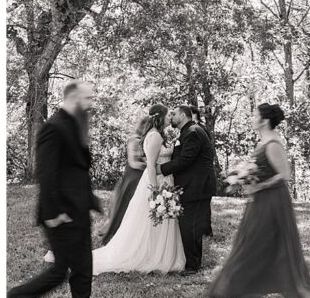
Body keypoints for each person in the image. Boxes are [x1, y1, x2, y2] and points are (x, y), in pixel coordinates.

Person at [208, 104, 310, 298]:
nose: (252, 118)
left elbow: (284, 175)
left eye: (255, 115)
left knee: (263, 240)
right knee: (251, 239)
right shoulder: (263, 141)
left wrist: (259, 185)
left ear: (265, 120)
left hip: (273, 200)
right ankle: (239, 285)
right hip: (259, 200)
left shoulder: (273, 143)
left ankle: (240, 286)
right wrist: (243, 179)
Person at [7, 81, 101, 298]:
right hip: (61, 213)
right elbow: (46, 173)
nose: (91, 104)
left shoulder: (76, 125)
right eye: (87, 99)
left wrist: (91, 202)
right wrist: (54, 213)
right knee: (60, 271)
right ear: (74, 98)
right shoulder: (54, 127)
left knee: (83, 269)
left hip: (78, 210)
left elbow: (78, 170)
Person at [92, 104, 185, 274]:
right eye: (167, 115)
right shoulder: (155, 136)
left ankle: (158, 252)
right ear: (160, 117)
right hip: (156, 181)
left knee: (158, 221)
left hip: (164, 179)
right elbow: (150, 165)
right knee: (151, 220)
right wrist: (155, 191)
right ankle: (152, 255)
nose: (170, 117)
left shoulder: (158, 134)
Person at [158, 105, 217, 276]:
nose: (172, 116)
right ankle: (192, 262)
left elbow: (185, 160)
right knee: (190, 225)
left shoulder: (192, 132)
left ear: (183, 116)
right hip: (192, 185)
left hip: (197, 186)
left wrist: (161, 169)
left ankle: (193, 266)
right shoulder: (188, 131)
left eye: (174, 114)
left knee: (190, 225)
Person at [99, 115, 148, 244]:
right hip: (133, 177)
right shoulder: (135, 140)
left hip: (139, 176)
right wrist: (151, 165)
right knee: (126, 207)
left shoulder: (141, 139)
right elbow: (133, 162)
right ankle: (117, 234)